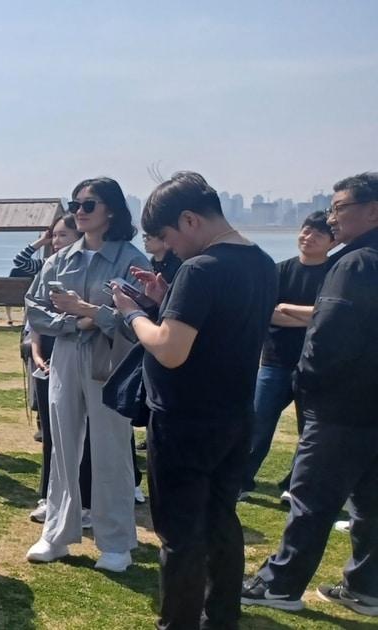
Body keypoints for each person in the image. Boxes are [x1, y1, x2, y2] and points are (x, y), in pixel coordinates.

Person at [116, 172, 275, 627]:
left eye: (166, 237)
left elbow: (170, 349)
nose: (168, 248)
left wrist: (132, 316)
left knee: (180, 536)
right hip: (235, 415)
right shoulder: (262, 262)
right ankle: (221, 618)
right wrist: (167, 302)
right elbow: (220, 326)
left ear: (188, 220)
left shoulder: (201, 268)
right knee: (222, 522)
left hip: (185, 422)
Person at [242, 172, 378, 618]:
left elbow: (330, 334)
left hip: (340, 406)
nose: (332, 217)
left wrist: (306, 381)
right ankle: (366, 586)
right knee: (370, 501)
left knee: (311, 497)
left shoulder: (356, 263)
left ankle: (279, 583)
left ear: (372, 210)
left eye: (340, 208)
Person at [24, 177, 149, 573]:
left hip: (109, 363)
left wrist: (93, 313)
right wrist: (80, 321)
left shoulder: (131, 259)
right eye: (74, 203)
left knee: (111, 449)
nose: (79, 210)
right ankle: (57, 533)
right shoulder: (60, 259)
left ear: (110, 210)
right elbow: (35, 309)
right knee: (62, 447)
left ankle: (116, 542)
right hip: (65, 357)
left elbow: (137, 319)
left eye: (88, 204)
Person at [240, 212, 335, 498]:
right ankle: (242, 480)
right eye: (306, 231)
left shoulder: (335, 274)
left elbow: (333, 315)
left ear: (331, 242)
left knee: (309, 432)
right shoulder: (278, 271)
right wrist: (312, 314)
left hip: (316, 362)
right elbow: (265, 313)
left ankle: (294, 486)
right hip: (274, 361)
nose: (309, 237)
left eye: (318, 234)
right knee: (258, 423)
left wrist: (286, 309)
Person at [27, 214, 88, 523]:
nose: (56, 241)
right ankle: (49, 499)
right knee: (52, 435)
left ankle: (85, 502)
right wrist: (36, 355)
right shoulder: (47, 268)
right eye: (54, 236)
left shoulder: (85, 274)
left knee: (84, 436)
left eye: (63, 235)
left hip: (77, 353)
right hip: (47, 358)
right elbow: (34, 320)